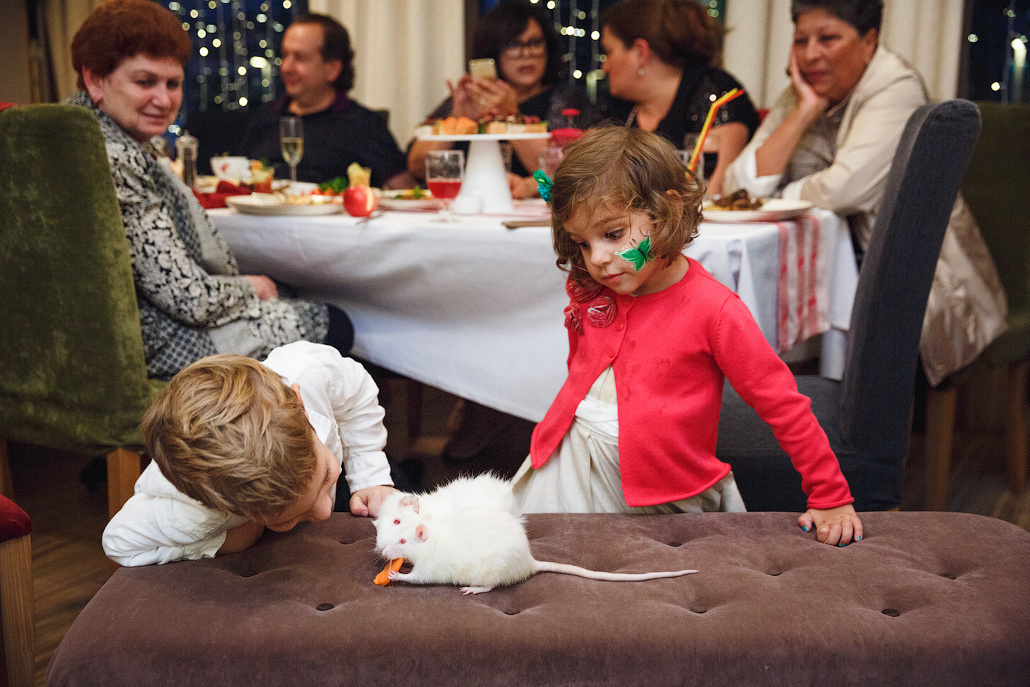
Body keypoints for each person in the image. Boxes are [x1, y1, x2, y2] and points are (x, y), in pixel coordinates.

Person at [511, 127, 862, 547]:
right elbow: (581, 375)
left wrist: (830, 495)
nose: (597, 259)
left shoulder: (715, 310)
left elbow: (782, 405)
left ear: (666, 213)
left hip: (663, 499)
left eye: (612, 234)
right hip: (566, 466)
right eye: (582, 243)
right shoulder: (595, 289)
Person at [722, 0, 1006, 386]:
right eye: (801, 40)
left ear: (869, 41)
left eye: (828, 38)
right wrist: (805, 110)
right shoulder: (802, 93)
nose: (810, 54)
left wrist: (777, 194)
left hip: (917, 278)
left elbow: (844, 190)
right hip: (834, 268)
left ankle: (823, 430)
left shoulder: (895, 86)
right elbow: (737, 186)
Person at [68, 0, 353, 381]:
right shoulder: (115, 157)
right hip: (153, 345)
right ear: (95, 79)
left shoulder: (68, 136)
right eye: (144, 81)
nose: (164, 99)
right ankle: (279, 437)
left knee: (289, 293)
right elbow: (190, 297)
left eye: (173, 83)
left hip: (93, 339)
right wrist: (253, 287)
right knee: (334, 322)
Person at [102, 341, 398, 566]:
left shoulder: (309, 370)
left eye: (326, 476)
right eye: (286, 519)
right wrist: (226, 540)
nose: (323, 513)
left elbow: (356, 391)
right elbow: (118, 542)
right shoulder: (195, 514)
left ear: (301, 405)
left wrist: (370, 474)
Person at [407, 0, 593, 199]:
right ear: (493, 52)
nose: (527, 53)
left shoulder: (566, 97)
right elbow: (417, 167)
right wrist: (457, 119)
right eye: (513, 44)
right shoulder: (472, 98)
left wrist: (511, 116)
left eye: (535, 43)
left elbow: (564, 172)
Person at [599, 0, 761, 196]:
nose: (604, 66)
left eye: (608, 52)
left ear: (641, 52)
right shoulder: (617, 108)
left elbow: (718, 194)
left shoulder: (716, 94)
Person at [238, 13, 414, 189]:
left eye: (300, 58)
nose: (286, 67)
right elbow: (240, 181)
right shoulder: (266, 117)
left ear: (332, 69)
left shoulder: (363, 125)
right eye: (285, 55)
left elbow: (404, 193)